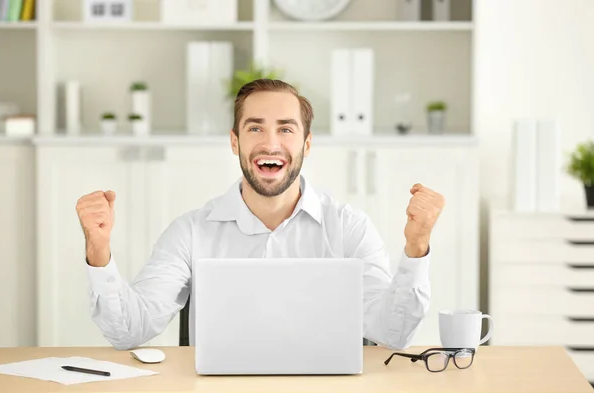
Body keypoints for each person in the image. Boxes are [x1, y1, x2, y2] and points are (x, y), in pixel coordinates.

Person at [76, 79, 445, 351]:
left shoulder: (348, 228)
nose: (270, 143)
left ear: (307, 143)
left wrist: (417, 246)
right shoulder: (191, 232)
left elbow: (393, 334)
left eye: (286, 129)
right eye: (255, 128)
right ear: (235, 141)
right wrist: (99, 252)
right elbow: (129, 331)